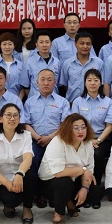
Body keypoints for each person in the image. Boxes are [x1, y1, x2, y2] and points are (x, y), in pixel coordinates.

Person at [38, 114, 103, 224]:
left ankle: (69, 202)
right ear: (68, 129)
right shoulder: (58, 142)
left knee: (95, 191)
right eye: (76, 128)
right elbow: (58, 172)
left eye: (83, 127)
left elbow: (89, 170)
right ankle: (58, 215)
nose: (80, 131)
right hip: (50, 181)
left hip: (73, 179)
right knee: (64, 182)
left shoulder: (88, 143)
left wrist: (84, 188)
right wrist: (82, 170)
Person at [23, 69, 71, 208]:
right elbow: (26, 123)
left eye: (49, 80)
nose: (46, 83)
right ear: (36, 82)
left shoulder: (63, 102)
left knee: (57, 165)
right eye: (42, 79)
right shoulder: (29, 102)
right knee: (32, 162)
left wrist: (50, 138)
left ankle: (54, 195)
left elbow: (65, 124)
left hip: (57, 141)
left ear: (55, 82)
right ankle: (38, 194)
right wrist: (38, 137)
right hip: (35, 140)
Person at [0, 103, 35, 224]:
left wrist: (19, 174)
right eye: (8, 115)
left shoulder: (26, 135)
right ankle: (8, 205)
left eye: (15, 115)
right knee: (11, 200)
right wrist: (7, 183)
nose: (12, 118)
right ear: (1, 118)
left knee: (31, 174)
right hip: (2, 180)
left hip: (20, 176)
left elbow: (28, 158)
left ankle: (27, 209)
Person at [71, 69, 112, 203]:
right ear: (85, 83)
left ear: (100, 83)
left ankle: (94, 192)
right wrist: (87, 140)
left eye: (96, 80)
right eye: (89, 80)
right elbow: (73, 124)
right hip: (81, 138)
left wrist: (98, 140)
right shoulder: (78, 102)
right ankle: (80, 189)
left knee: (98, 154)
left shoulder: (107, 102)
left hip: (101, 139)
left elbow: (109, 126)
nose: (92, 83)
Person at [58, 31, 103, 103]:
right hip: (72, 103)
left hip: (93, 103)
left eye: (88, 44)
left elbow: (102, 84)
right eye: (82, 43)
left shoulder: (98, 63)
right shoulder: (67, 63)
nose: (85, 46)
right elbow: (65, 85)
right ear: (75, 44)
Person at [21, 30, 61, 99]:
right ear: (36, 45)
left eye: (47, 42)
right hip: (35, 100)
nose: (44, 45)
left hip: (54, 100)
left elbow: (60, 84)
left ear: (51, 44)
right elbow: (25, 86)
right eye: (41, 42)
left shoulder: (56, 62)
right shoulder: (30, 62)